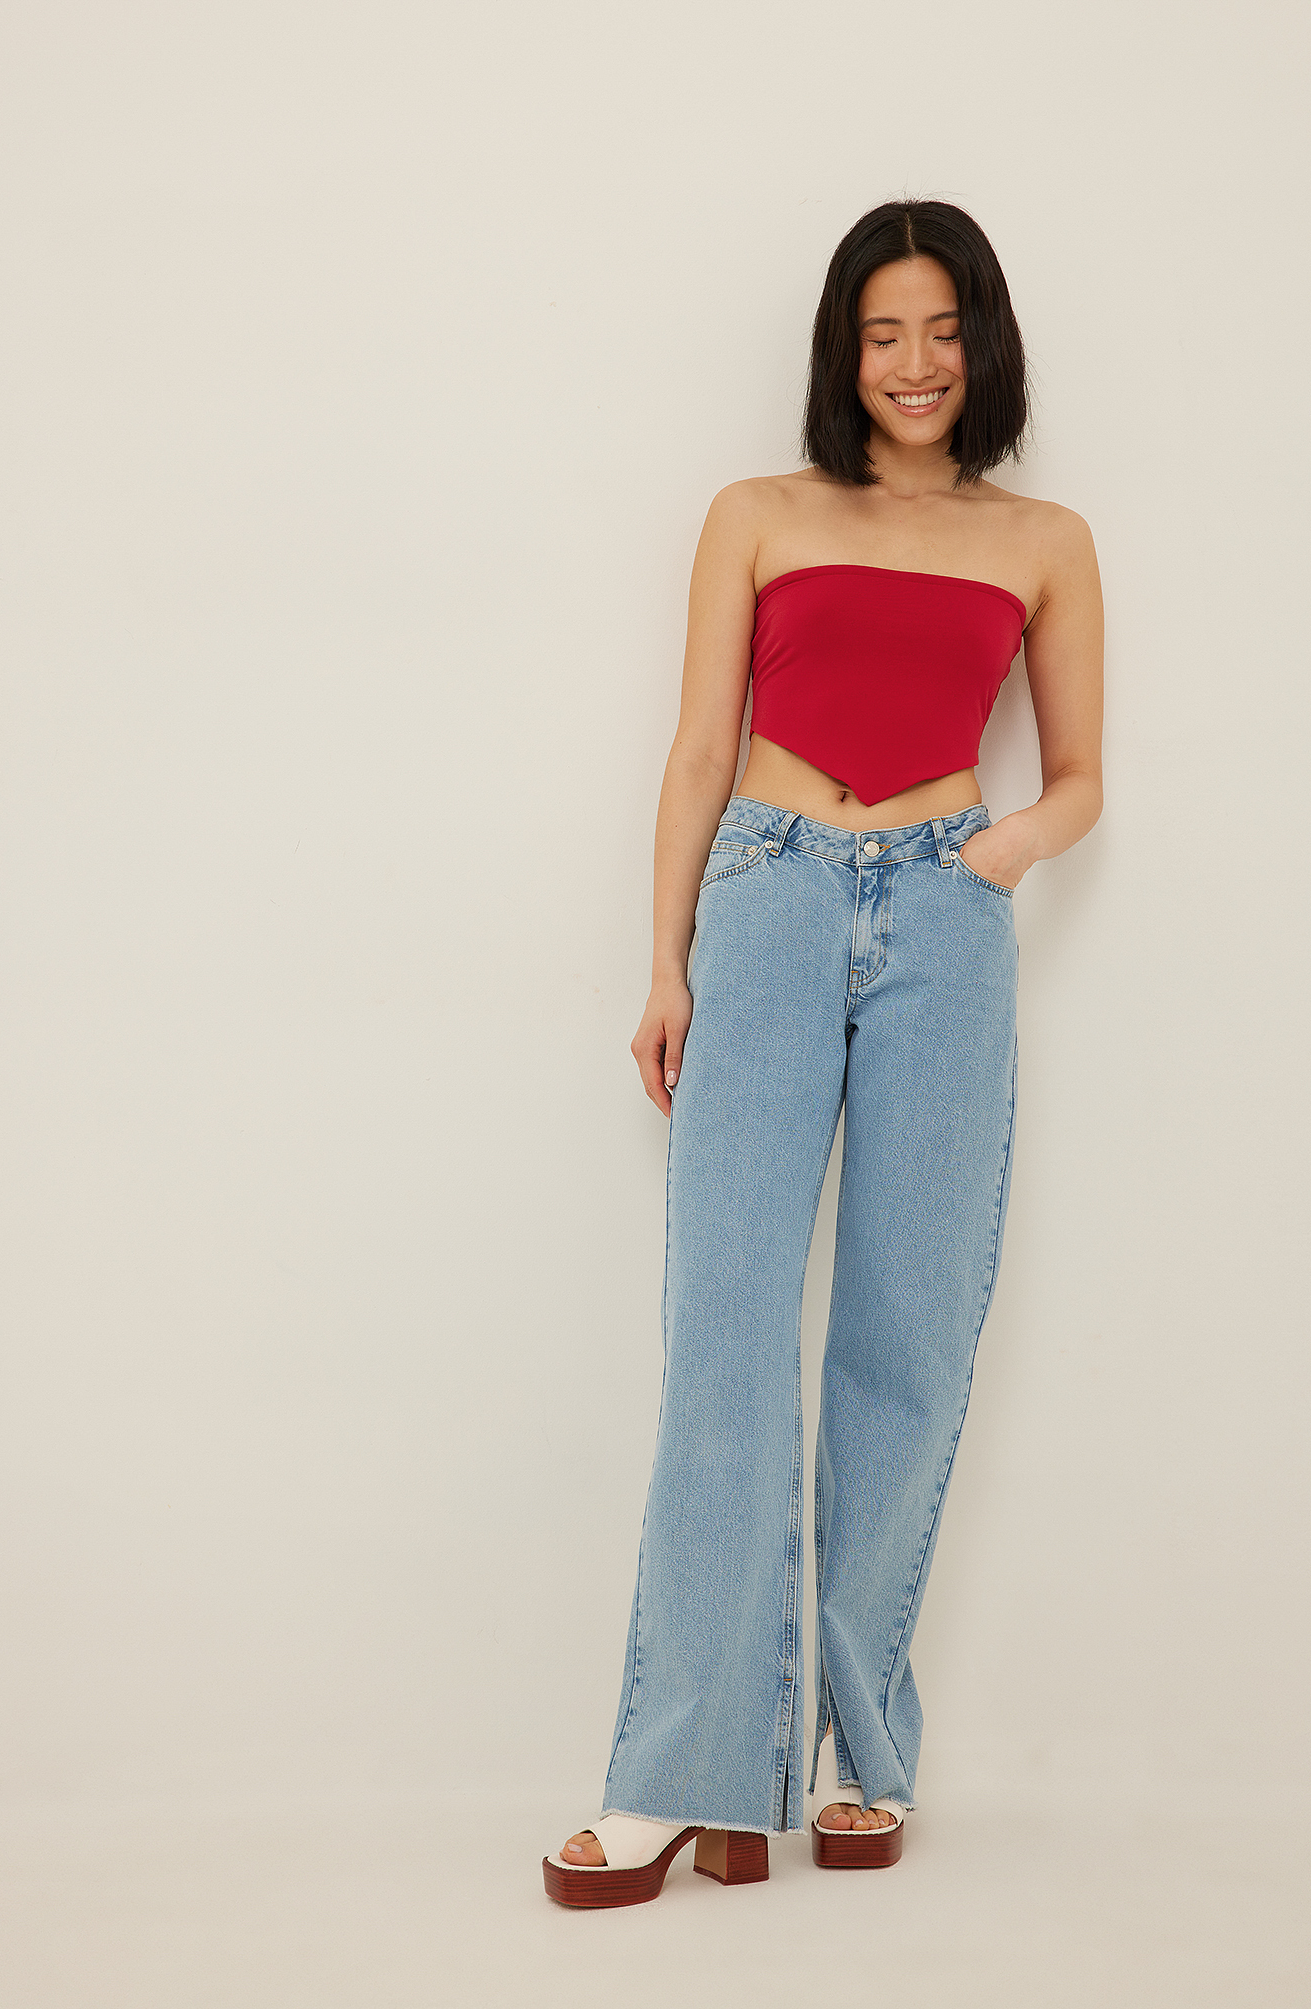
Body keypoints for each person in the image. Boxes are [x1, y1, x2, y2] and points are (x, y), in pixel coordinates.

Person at [542, 199, 1104, 1910]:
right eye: (882, 332)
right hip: (771, 897)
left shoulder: (1045, 539)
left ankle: (860, 1747)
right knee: (723, 1331)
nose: (914, 363)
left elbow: (1083, 774)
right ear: (842, 351)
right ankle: (684, 1772)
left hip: (946, 916)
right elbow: (699, 745)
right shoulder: (758, 514)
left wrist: (995, 855)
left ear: (982, 343)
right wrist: (667, 959)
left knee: (904, 1338)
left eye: (941, 330)